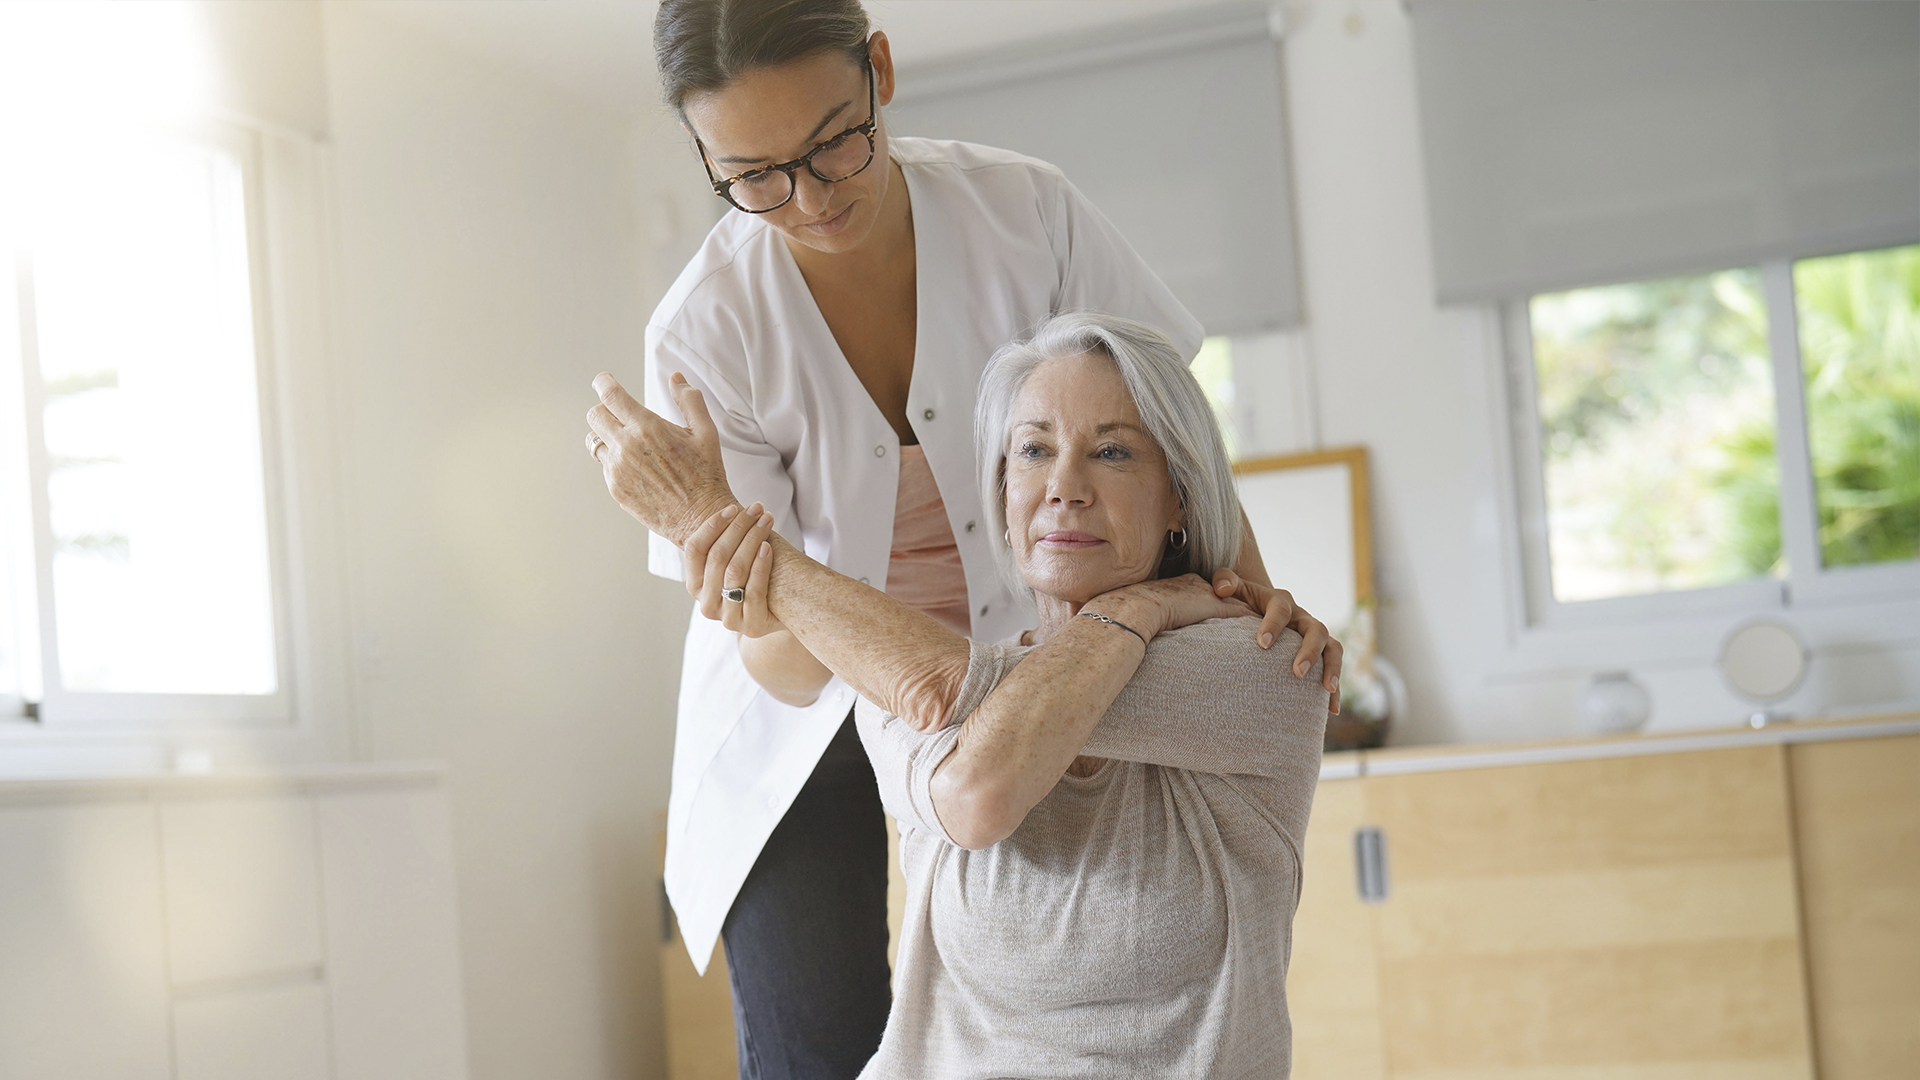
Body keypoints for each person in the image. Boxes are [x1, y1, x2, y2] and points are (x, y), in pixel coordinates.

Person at [635, 2, 1342, 1075]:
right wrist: (754, 588)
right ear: (704, 154)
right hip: (816, 709)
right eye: (755, 174)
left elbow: (1161, 423)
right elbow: (779, 663)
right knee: (810, 1046)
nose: (811, 199)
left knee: (1046, 988)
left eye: (835, 142)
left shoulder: (1027, 212)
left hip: (1048, 662)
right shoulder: (705, 328)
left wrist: (1247, 611)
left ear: (880, 69)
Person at [588, 311, 1327, 1077]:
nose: (1064, 487)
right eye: (1034, 450)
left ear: (1180, 497)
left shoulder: (1266, 662)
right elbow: (976, 765)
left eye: (1111, 452)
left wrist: (708, 520)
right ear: (1002, 495)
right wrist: (1134, 609)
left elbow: (969, 750)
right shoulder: (897, 683)